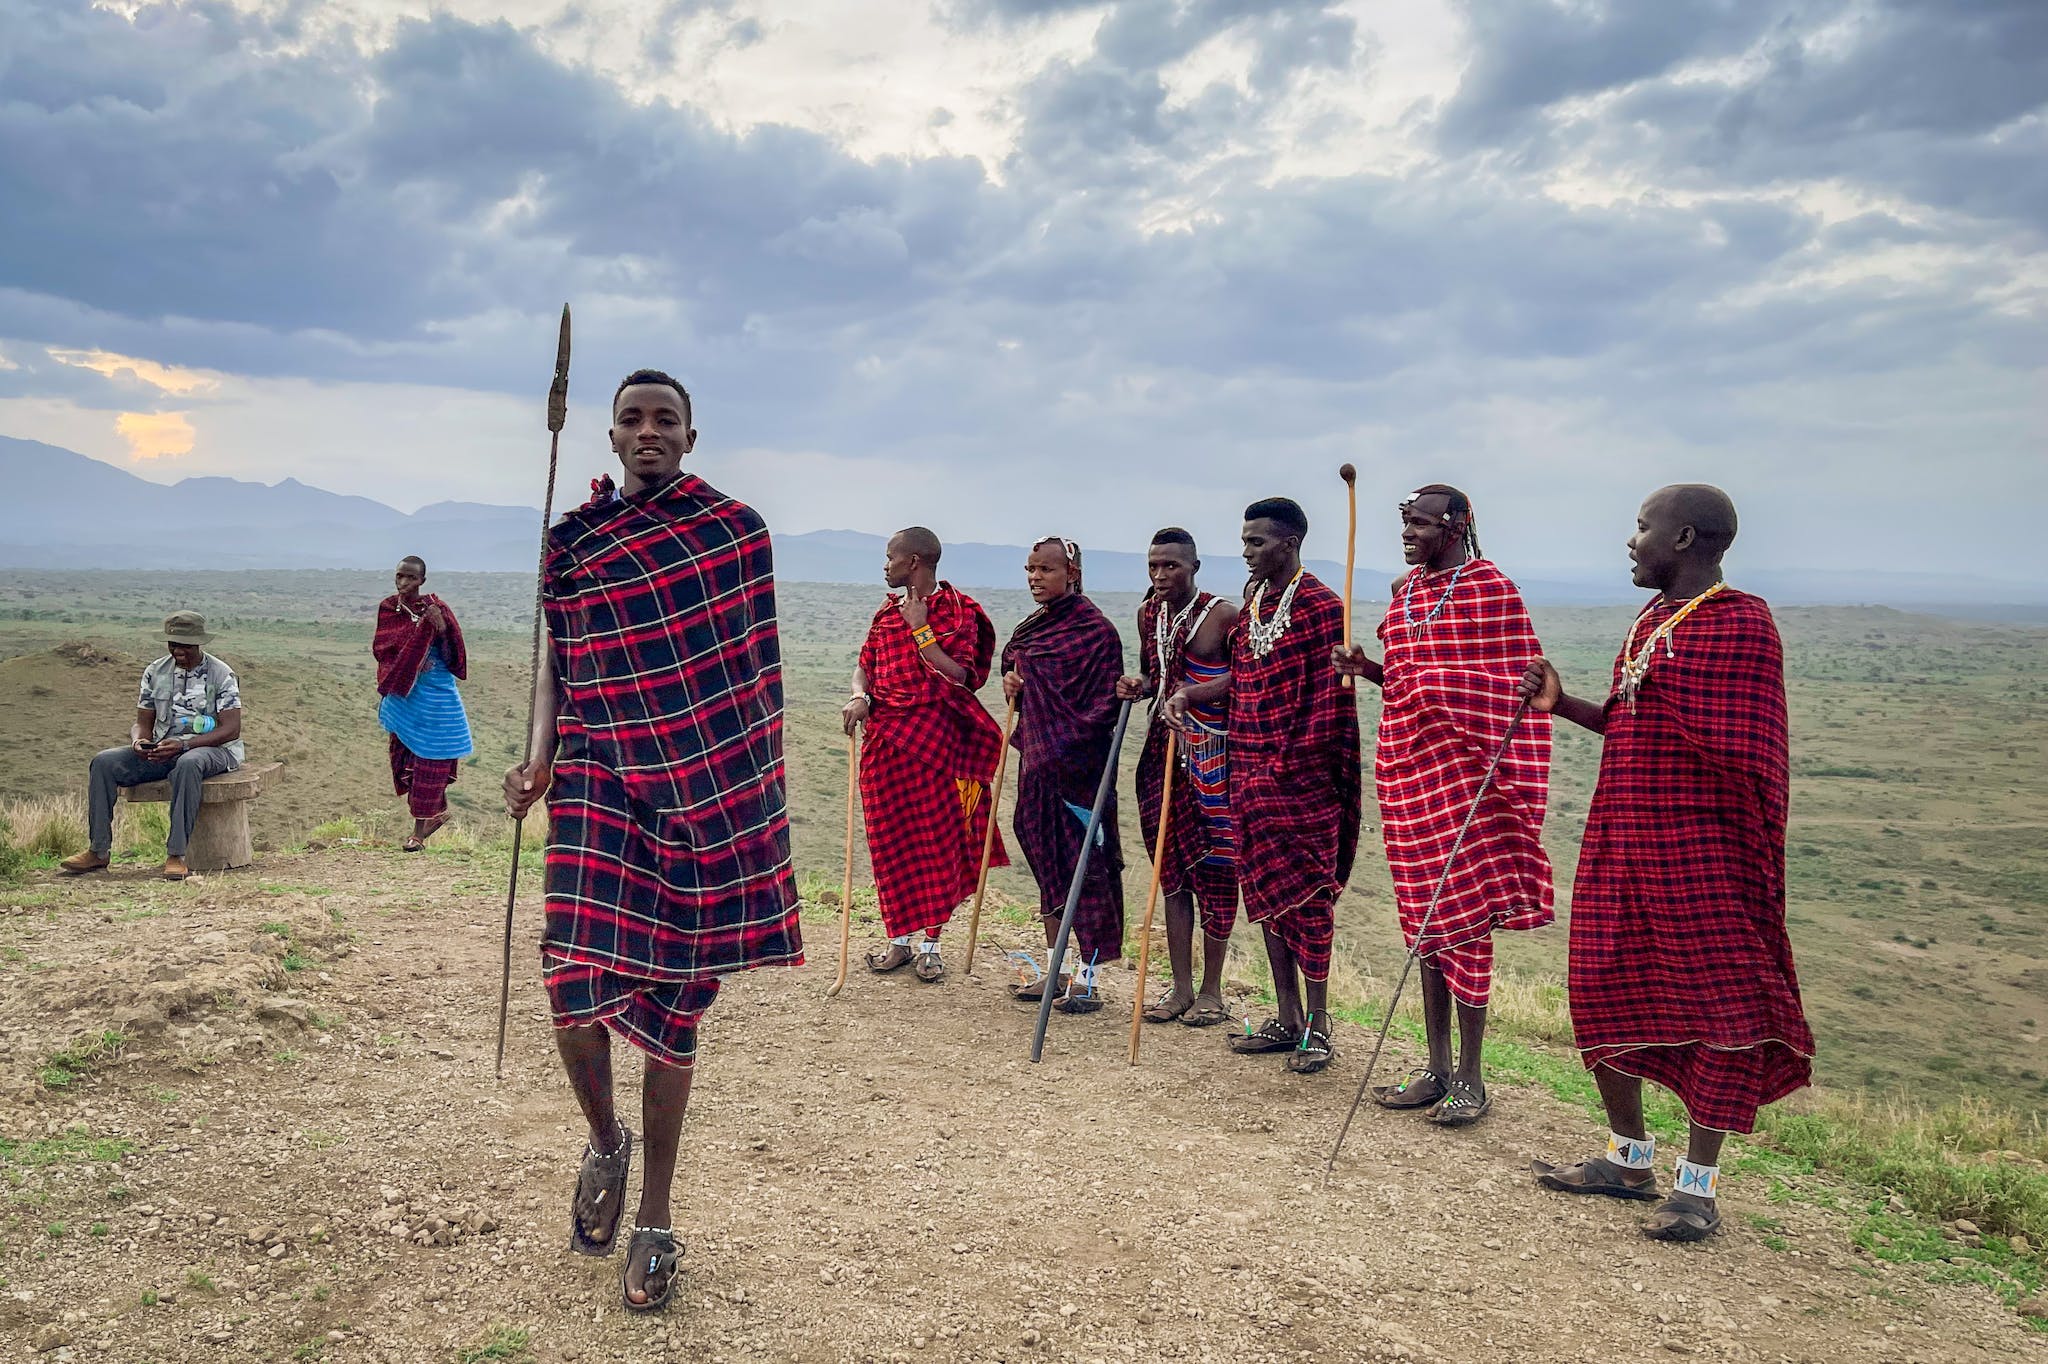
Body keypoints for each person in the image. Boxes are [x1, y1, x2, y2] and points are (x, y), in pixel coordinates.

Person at [503, 369, 801, 1310]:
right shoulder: (575, 540)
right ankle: (604, 1140)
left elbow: (747, 678)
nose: (647, 431)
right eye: (631, 418)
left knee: (673, 1006)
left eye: (663, 419)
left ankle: (658, 1218)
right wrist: (537, 757)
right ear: (609, 435)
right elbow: (559, 657)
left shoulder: (733, 533)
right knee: (573, 987)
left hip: (702, 794)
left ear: (690, 435)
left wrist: (742, 792)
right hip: (594, 779)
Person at [1521, 484, 1813, 1243]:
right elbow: (1631, 722)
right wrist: (1564, 704)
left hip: (1706, 854)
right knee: (1601, 983)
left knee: (1723, 1007)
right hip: (1623, 842)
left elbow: (1742, 744)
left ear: (1684, 538)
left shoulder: (1741, 623)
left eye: (1642, 526)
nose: (1630, 540)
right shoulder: (1653, 618)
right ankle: (1626, 1159)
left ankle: (1698, 1187)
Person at [1331, 486, 1553, 1126]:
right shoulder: (1404, 593)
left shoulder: (1491, 590)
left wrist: (1439, 692)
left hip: (1467, 778)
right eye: (1404, 522)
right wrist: (1368, 669)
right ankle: (1434, 1068)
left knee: (1463, 921)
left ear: (1456, 527)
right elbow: (1407, 679)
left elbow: (1512, 687)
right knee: (1424, 921)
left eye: (1420, 524)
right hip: (1407, 772)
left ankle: (1472, 1079)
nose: (1407, 533)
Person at [1171, 498, 1358, 1074]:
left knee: (1309, 902)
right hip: (1246, 771)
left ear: (1290, 544)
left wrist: (1289, 765)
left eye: (1256, 542)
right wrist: (1189, 694)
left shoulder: (1323, 606)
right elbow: (1243, 676)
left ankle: (1320, 1027)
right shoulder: (1255, 604)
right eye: (1244, 541)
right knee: (1268, 900)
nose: (1247, 551)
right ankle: (1286, 1017)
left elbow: (1332, 699)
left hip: (1303, 782)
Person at [841, 527, 1008, 983]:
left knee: (937, 844)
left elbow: (965, 678)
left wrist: (922, 631)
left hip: (939, 747)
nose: (885, 565)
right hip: (886, 743)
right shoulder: (886, 610)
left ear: (913, 561)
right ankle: (899, 940)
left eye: (890, 557)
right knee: (891, 843)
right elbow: (866, 664)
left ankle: (931, 945)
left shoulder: (961, 612)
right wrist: (861, 696)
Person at [1116, 528, 1240, 1028]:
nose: (1161, 575)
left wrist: (1192, 694)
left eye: (1172, 566)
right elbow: (1153, 673)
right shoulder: (1150, 613)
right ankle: (1180, 988)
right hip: (1160, 751)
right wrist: (1138, 684)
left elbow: (1244, 676)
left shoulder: (1224, 616)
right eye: (1154, 566)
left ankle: (1212, 990)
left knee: (1216, 872)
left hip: (1213, 757)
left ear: (1195, 567)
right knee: (1171, 872)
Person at [1000, 536, 1127, 1014]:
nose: (1035, 578)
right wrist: (1012, 680)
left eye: (1045, 570)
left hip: (1079, 775)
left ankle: (1087, 979)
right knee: (1048, 865)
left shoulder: (1097, 632)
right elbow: (1012, 662)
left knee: (1087, 871)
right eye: (1030, 569)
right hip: (1037, 770)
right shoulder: (1034, 626)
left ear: (1071, 573)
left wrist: (1061, 739)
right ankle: (1055, 969)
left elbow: (1102, 707)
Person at [62, 610, 244, 882]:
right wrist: (140, 741)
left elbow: (230, 729)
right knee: (103, 762)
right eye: (173, 644)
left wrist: (184, 746)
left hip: (213, 751)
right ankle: (98, 851)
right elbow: (142, 721)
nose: (177, 650)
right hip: (163, 748)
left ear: (198, 643)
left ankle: (176, 854)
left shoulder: (221, 674)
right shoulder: (155, 671)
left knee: (188, 763)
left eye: (184, 645)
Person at [374, 556, 474, 852]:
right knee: (408, 759)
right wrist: (412, 664)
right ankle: (435, 815)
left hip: (436, 694)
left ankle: (418, 832)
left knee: (433, 758)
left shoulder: (437, 608)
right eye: (399, 576)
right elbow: (383, 649)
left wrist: (439, 628)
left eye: (410, 578)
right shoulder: (389, 608)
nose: (403, 582)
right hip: (405, 696)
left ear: (422, 581)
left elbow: (455, 651)